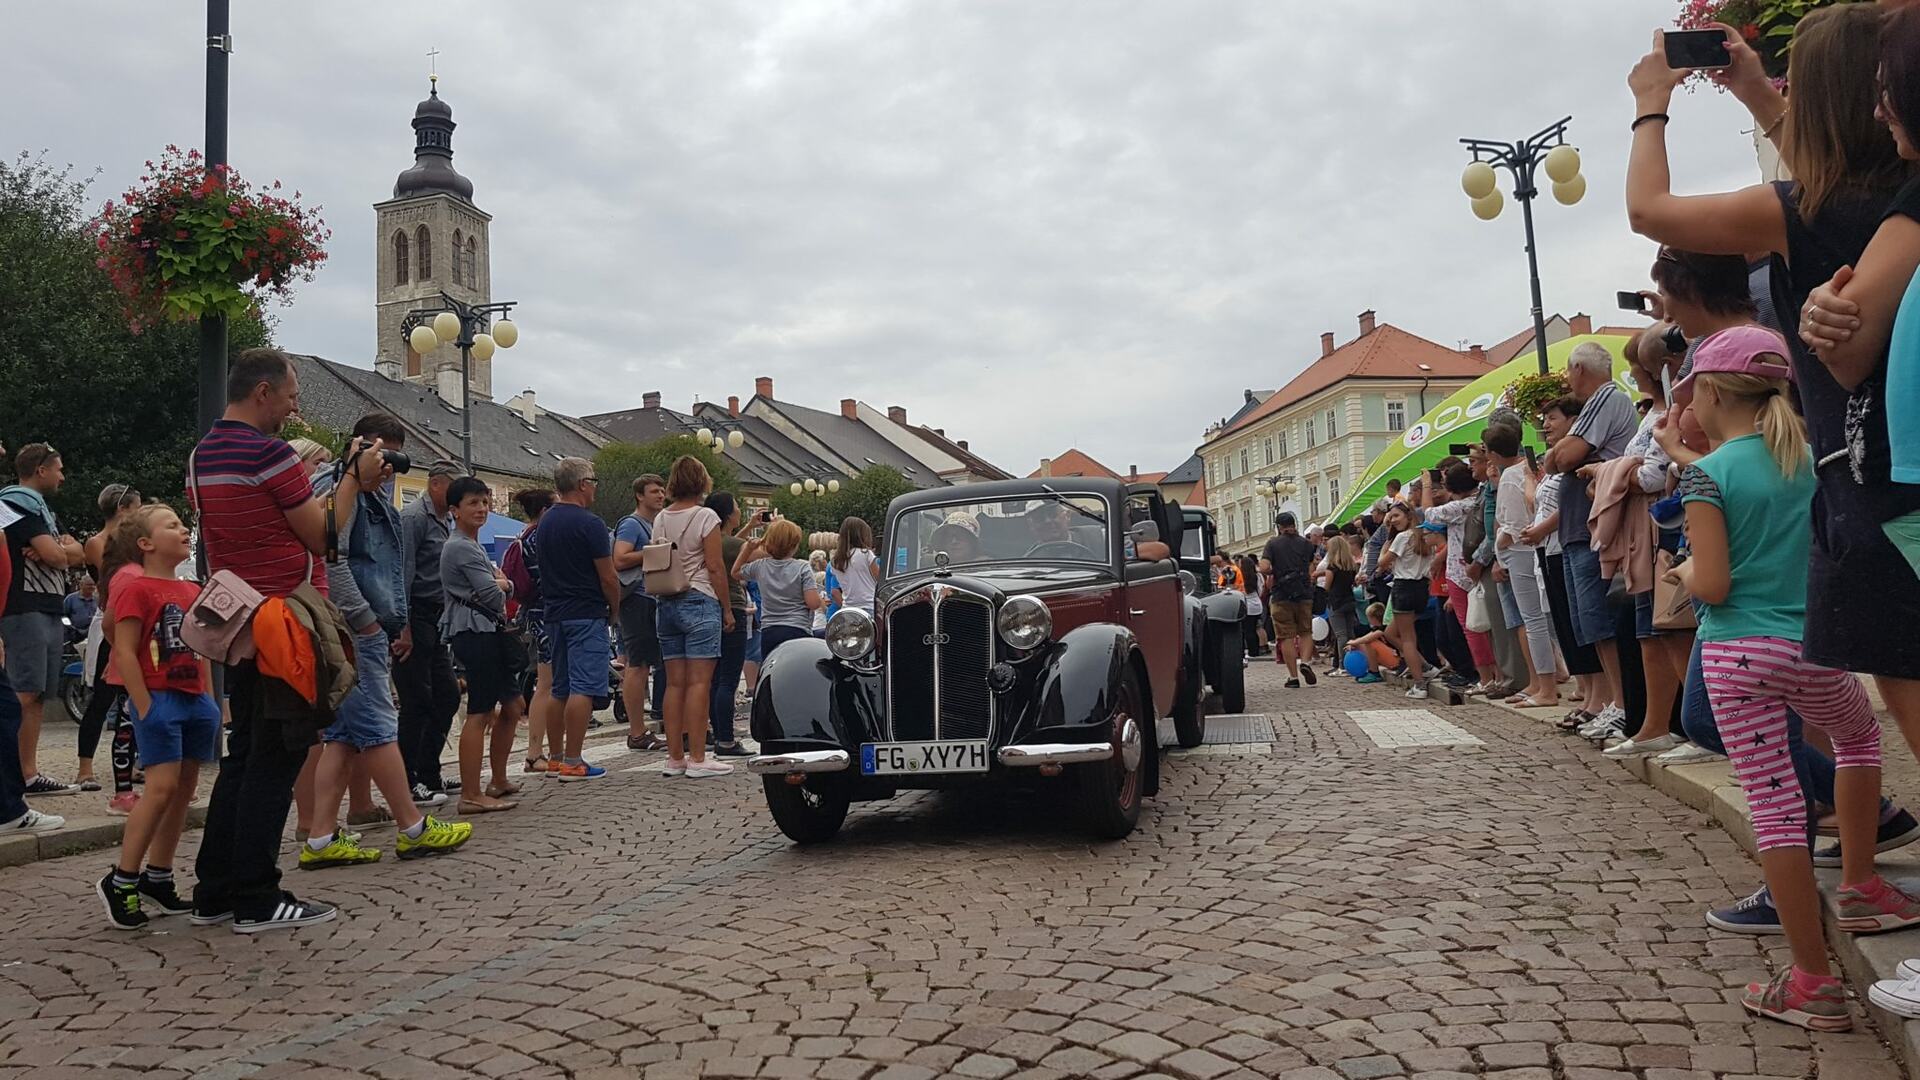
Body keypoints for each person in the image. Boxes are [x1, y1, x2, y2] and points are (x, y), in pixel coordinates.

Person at [1630, 7, 1920, 756]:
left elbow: (1648, 211)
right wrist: (1757, 92)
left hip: (1865, 471)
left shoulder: (1798, 212)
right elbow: (1836, 164)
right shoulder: (1898, 195)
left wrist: (1650, 105)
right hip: (1896, 453)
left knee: (1908, 682)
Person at [1669, 325, 1920, 1030]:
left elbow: (1713, 584)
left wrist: (1684, 570)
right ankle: (1865, 885)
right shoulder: (1812, 460)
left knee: (1777, 807)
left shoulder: (1707, 473)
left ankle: (1811, 981)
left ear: (1713, 393)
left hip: (1736, 657)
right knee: (1859, 739)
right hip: (1812, 646)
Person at [189, 348, 378, 932]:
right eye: (292, 396)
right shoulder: (270, 456)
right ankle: (256, 895)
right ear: (263, 392)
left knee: (244, 755)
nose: (296, 409)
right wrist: (352, 480)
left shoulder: (204, 453)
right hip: (285, 625)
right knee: (278, 755)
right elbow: (323, 536)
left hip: (240, 623)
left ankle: (214, 889)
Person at [301, 413, 472, 869]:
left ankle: (320, 839)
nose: (389, 466)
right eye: (383, 454)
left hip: (368, 627)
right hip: (357, 630)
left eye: (394, 458)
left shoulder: (370, 495)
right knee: (378, 726)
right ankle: (412, 827)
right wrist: (367, 623)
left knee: (342, 737)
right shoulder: (341, 490)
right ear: (360, 446)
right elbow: (331, 560)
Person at [92, 505, 217, 929]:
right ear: (145, 544)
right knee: (161, 788)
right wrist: (144, 703)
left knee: (183, 789)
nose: (183, 530)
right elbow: (123, 647)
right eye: (171, 526)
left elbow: (201, 647)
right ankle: (123, 878)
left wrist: (210, 700)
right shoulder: (135, 587)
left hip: (193, 699)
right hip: (160, 699)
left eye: (182, 525)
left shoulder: (190, 588)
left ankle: (158, 876)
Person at [1541, 343, 1639, 739]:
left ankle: (1621, 702)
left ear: (1578, 368)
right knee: (1586, 623)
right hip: (1579, 530)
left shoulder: (1605, 397)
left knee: (1599, 620)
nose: (1567, 379)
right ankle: (1608, 700)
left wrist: (1561, 453)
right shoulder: (1600, 401)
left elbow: (1563, 458)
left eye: (1568, 372)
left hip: (1595, 528)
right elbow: (1556, 458)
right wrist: (1558, 454)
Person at [1, 442, 86, 795]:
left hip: (48, 607)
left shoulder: (43, 510)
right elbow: (58, 553)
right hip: (25, 606)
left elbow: (77, 552)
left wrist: (59, 551)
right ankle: (14, 775)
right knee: (23, 691)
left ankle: (28, 772)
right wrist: (58, 551)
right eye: (59, 468)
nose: (62, 476)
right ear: (41, 470)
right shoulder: (16, 504)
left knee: (35, 693)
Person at [441, 476, 526, 813]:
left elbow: (506, 587)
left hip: (488, 630)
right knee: (480, 711)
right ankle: (471, 794)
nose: (481, 509)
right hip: (474, 632)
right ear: (455, 510)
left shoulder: (472, 545)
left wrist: (501, 583)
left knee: (515, 704)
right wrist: (501, 583)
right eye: (473, 503)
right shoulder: (460, 546)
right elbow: (495, 592)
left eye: (484, 502)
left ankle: (499, 779)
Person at [536, 458, 618, 782]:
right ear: (583, 484)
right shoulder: (591, 524)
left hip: (554, 613)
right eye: (594, 480)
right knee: (583, 687)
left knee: (560, 687)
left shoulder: (546, 522)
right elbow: (608, 575)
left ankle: (556, 757)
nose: (596, 486)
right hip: (586, 611)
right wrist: (614, 608)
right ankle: (574, 760)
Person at [651, 455, 733, 778]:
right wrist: (727, 608)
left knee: (675, 684)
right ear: (701, 483)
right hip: (699, 598)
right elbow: (715, 566)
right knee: (701, 682)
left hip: (667, 600)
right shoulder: (705, 516)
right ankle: (698, 757)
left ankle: (675, 758)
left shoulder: (660, 518)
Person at [395, 460, 463, 805]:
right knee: (416, 701)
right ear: (436, 485)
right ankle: (407, 781)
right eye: (453, 486)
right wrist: (403, 624)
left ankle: (429, 772)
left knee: (447, 696)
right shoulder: (414, 518)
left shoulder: (446, 518)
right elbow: (403, 572)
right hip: (416, 615)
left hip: (437, 619)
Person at [1487, 426, 1556, 708]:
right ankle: (1539, 682)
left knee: (1533, 620)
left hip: (1520, 550)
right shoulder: (1525, 470)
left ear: (1492, 453)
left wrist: (1500, 545)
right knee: (1537, 619)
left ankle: (1546, 686)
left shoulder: (1511, 477)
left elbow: (1513, 524)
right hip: (1527, 549)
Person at [1418, 462, 1498, 692]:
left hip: (1459, 571)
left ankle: (1485, 677)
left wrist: (1426, 485)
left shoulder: (1458, 507)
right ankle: (1498, 674)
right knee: (1490, 627)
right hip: (1479, 566)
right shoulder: (1480, 499)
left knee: (1472, 627)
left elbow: (1428, 515)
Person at [503, 488, 561, 774]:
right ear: (545, 510)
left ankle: (540, 751)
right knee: (548, 686)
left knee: (544, 684)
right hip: (547, 616)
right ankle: (537, 752)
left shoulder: (523, 537)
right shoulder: (541, 538)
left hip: (533, 615)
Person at [612, 474, 667, 752]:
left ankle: (641, 729)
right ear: (639, 496)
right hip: (637, 599)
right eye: (654, 491)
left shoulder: (653, 523)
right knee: (638, 665)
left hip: (650, 598)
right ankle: (636, 732)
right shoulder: (632, 524)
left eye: (662, 490)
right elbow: (619, 558)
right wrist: (655, 552)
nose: (660, 495)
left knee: (646, 664)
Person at [707, 494, 759, 758]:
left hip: (709, 608)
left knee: (714, 678)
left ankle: (718, 732)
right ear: (728, 515)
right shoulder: (730, 544)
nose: (739, 512)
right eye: (737, 508)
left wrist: (748, 528)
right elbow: (764, 551)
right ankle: (726, 740)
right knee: (729, 679)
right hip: (733, 608)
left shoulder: (711, 539)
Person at [735, 518, 821, 665]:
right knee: (796, 673)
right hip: (798, 628)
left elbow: (735, 572)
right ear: (794, 545)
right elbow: (813, 603)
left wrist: (748, 549)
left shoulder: (760, 566)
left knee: (772, 672)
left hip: (770, 630)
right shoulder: (803, 567)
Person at [1373, 502, 1432, 699]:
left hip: (1404, 587)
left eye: (1396, 516)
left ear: (1408, 516)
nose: (1393, 520)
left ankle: (1419, 684)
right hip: (1421, 587)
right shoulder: (1422, 536)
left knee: (1407, 638)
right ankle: (1425, 666)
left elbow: (1382, 562)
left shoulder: (1403, 537)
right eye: (1391, 517)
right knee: (1390, 632)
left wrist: (1384, 549)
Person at [1261, 512, 1317, 688]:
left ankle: (1293, 677)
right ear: (1294, 524)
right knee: (1306, 632)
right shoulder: (1307, 544)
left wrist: (1273, 572)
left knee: (1286, 636)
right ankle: (1306, 662)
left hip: (1281, 595)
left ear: (1278, 527)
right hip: (1304, 593)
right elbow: (1311, 568)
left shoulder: (1273, 543)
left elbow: (1264, 567)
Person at [1316, 535, 1359, 668]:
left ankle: (1342, 664)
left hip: (1336, 602)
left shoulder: (1332, 567)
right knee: (1350, 633)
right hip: (1349, 600)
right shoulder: (1351, 566)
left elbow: (1327, 586)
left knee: (1340, 635)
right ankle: (1353, 661)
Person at [833, 517, 880, 616]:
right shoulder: (866, 554)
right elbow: (879, 579)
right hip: (868, 605)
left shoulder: (836, 561)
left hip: (848, 608)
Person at [807, 549, 838, 637]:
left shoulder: (810, 576)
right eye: (824, 559)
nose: (826, 561)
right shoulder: (821, 577)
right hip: (821, 623)